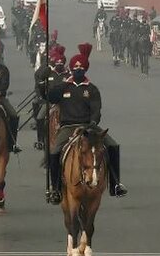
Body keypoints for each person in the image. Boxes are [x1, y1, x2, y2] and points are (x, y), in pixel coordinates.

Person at [46, 43, 127, 204]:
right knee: (54, 152)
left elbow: (96, 110)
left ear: (85, 69)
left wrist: (91, 123)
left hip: (89, 127)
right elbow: (50, 97)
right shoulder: (63, 87)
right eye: (75, 67)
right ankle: (55, 188)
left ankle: (115, 184)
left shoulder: (92, 89)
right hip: (67, 127)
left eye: (81, 67)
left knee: (113, 145)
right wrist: (44, 79)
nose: (78, 69)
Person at [33, 45, 69, 150]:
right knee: (40, 117)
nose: (58, 65)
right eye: (57, 63)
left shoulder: (68, 75)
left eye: (61, 63)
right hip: (49, 102)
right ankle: (40, 141)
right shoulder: (49, 73)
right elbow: (40, 83)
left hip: (63, 103)